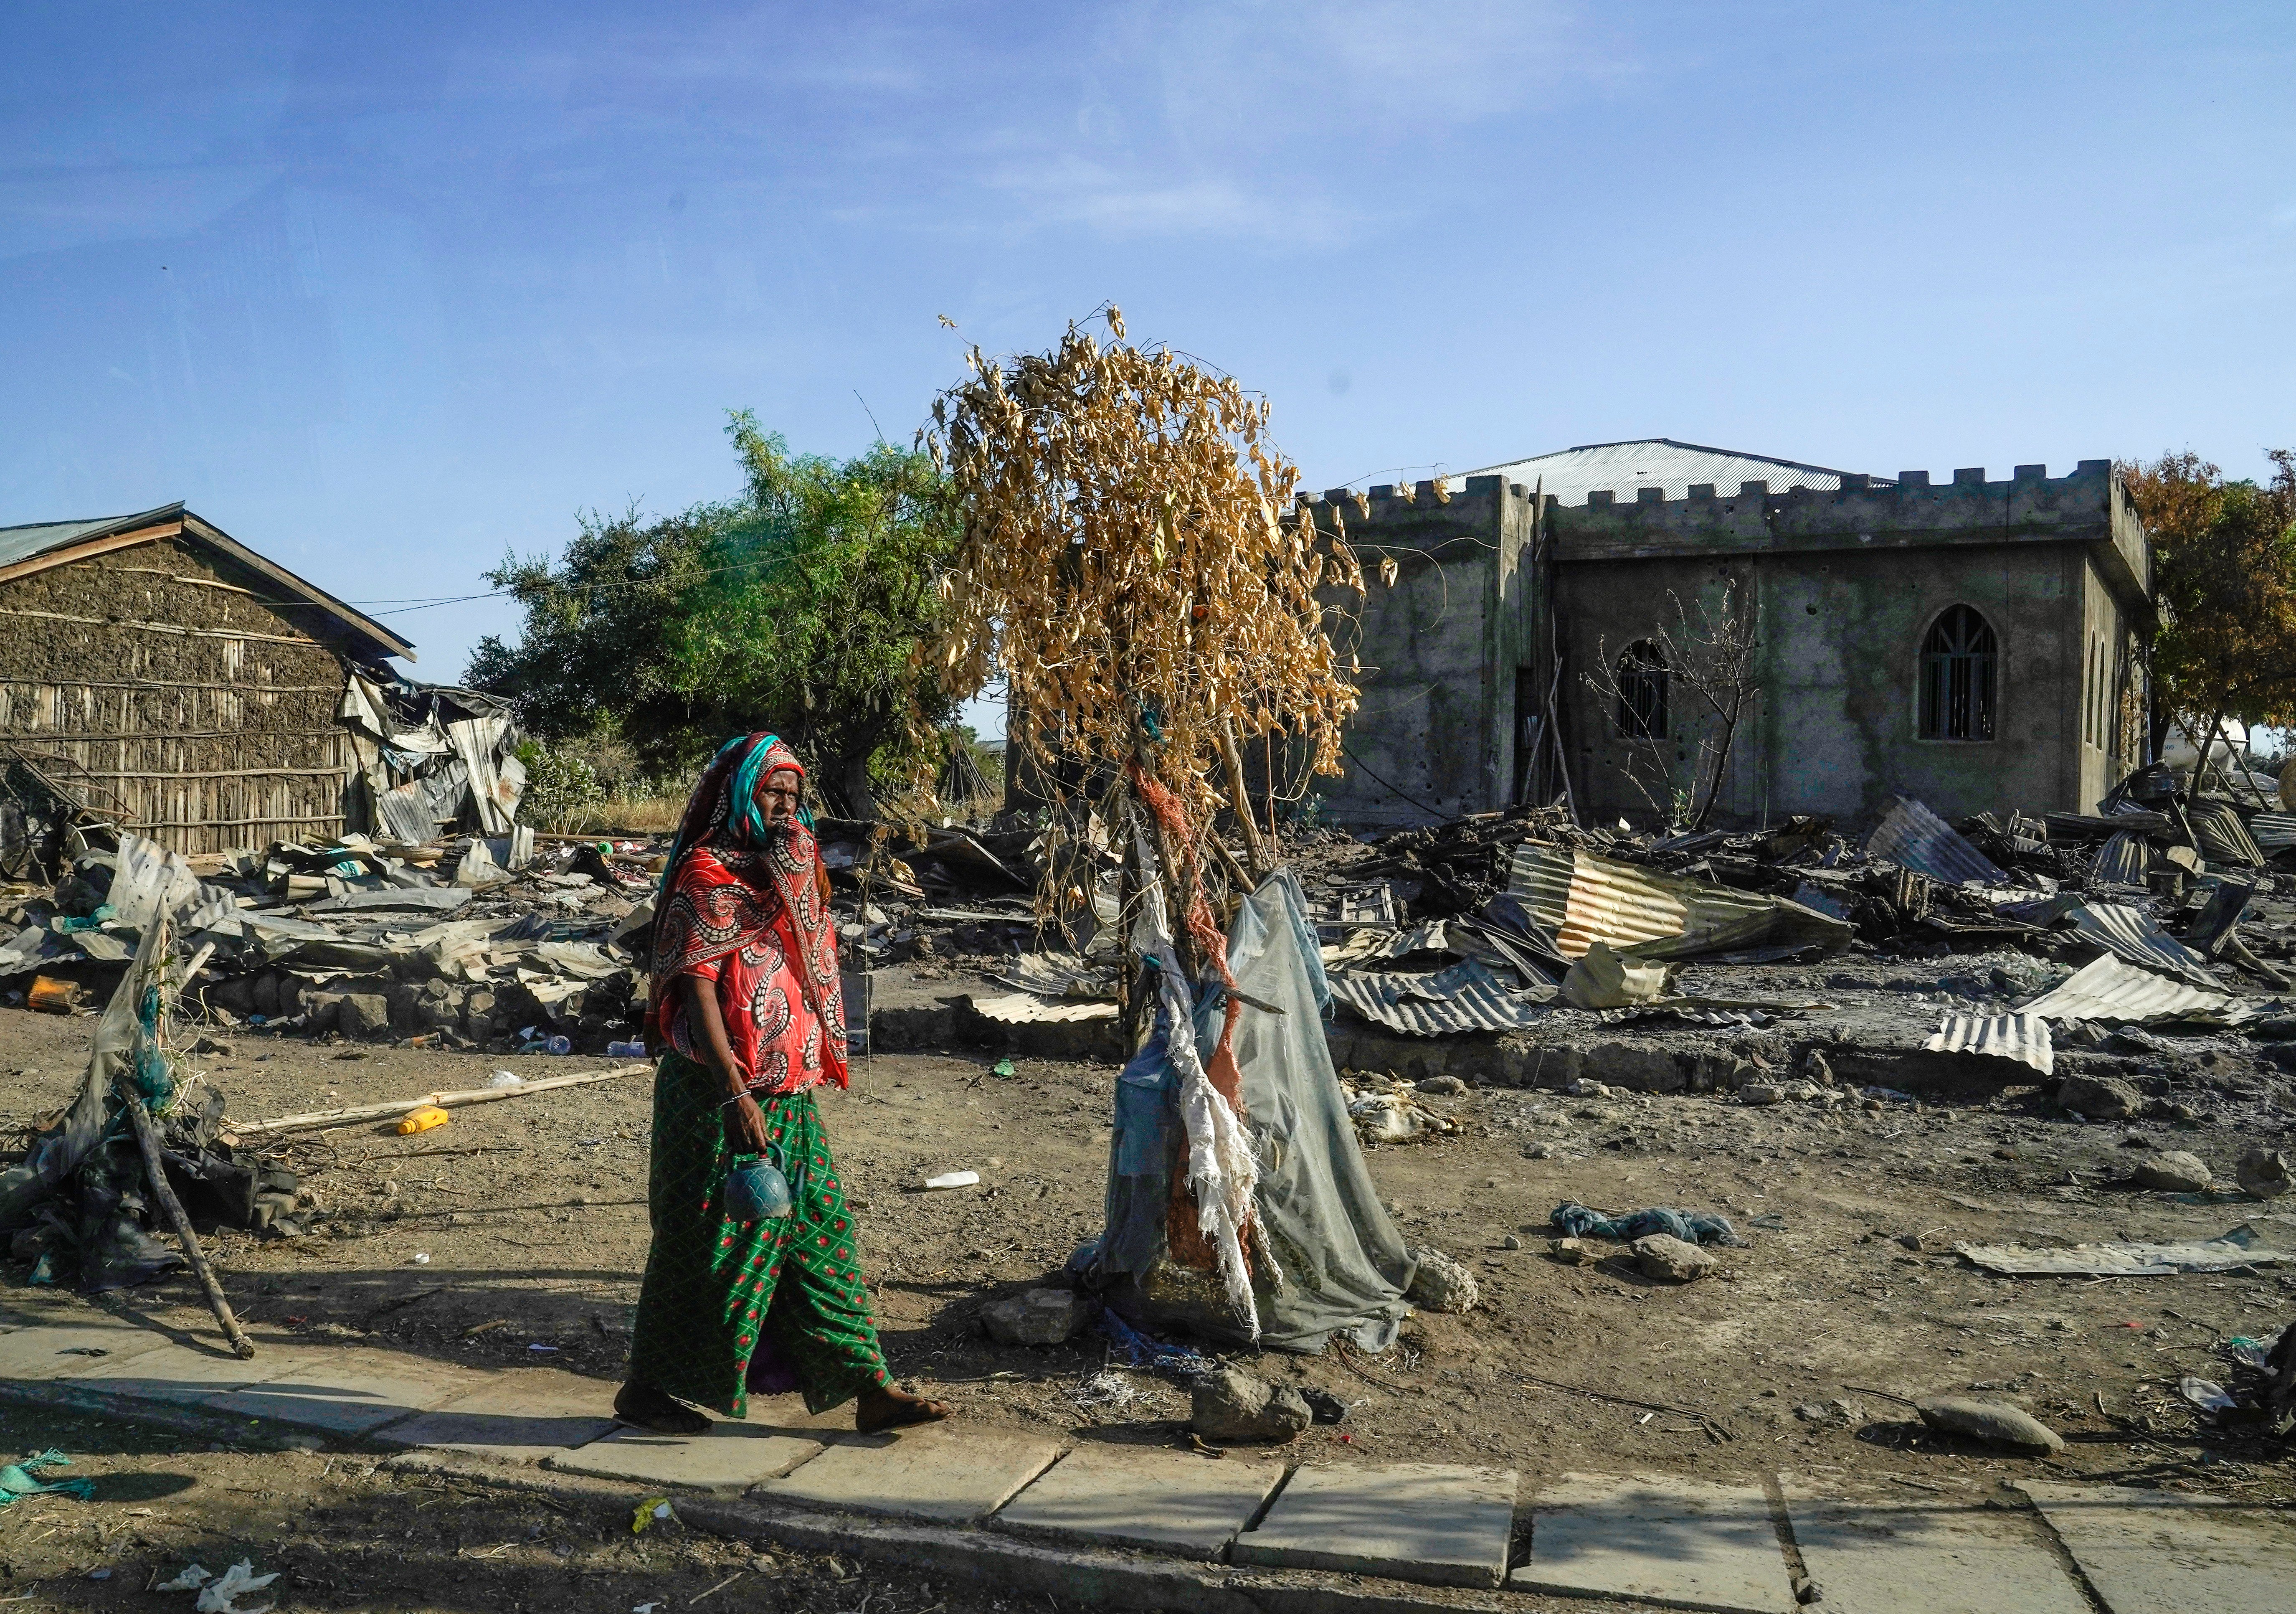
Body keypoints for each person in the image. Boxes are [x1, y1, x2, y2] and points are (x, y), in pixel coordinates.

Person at [613, 732, 948, 1436]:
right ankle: (648, 1387)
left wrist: (797, 867)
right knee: (709, 1241)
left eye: (794, 793)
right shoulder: (706, 873)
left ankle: (869, 1387)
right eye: (773, 790)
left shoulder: (791, 872)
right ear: (741, 794)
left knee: (819, 1231)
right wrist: (735, 1095)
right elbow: (697, 989)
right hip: (713, 1095)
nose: (785, 804)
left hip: (786, 1091)